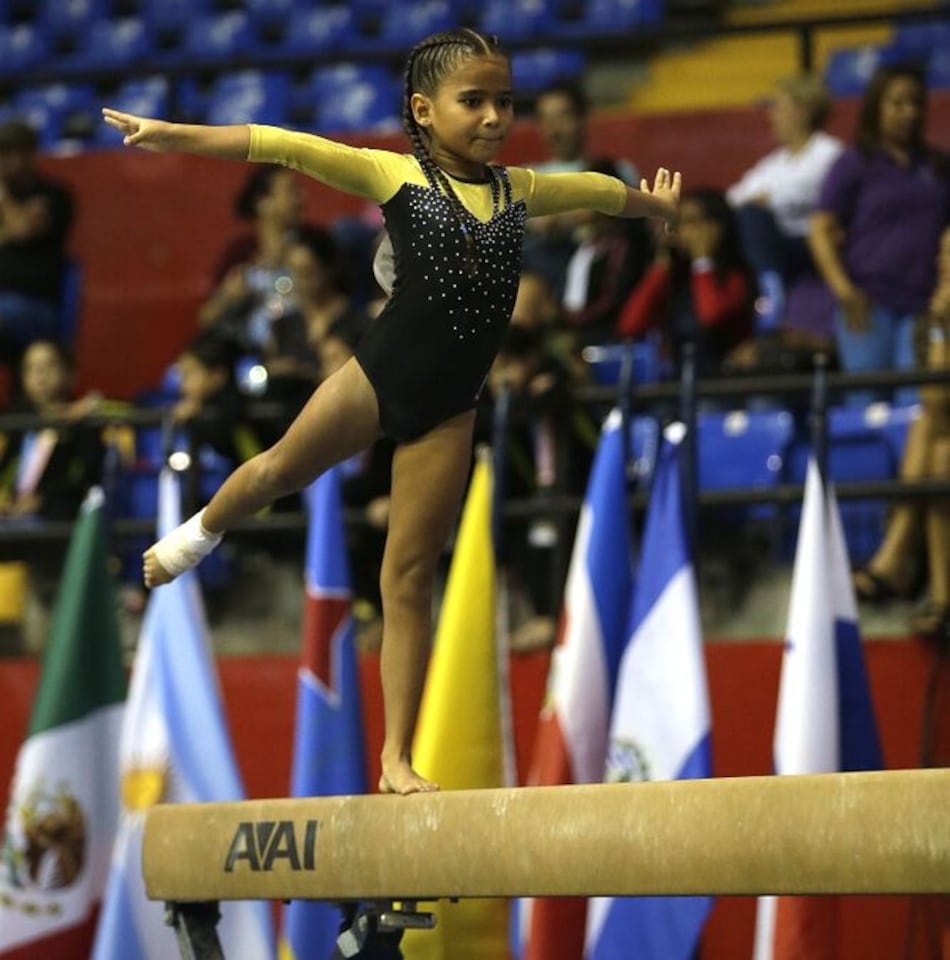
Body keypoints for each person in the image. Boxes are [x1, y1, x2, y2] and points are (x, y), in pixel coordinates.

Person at [102, 27, 680, 795]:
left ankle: (397, 758)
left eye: (504, 102)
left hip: (450, 408)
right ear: (423, 108)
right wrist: (170, 133)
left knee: (407, 579)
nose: (493, 117)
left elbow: (597, 192)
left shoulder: (518, 191)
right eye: (472, 101)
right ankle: (202, 531)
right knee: (277, 469)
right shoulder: (396, 176)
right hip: (378, 378)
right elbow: (280, 144)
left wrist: (648, 203)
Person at [809, 63, 950, 407]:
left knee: (917, 407)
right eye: (898, 103)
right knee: (867, 406)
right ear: (876, 107)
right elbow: (819, 229)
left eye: (916, 103)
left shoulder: (936, 165)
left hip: (923, 306)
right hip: (869, 304)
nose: (909, 112)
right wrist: (844, 291)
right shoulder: (855, 162)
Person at [853, 226, 950, 641]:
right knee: (932, 437)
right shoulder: (934, 316)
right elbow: (934, 397)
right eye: (942, 253)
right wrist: (943, 330)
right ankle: (940, 597)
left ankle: (897, 556)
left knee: (937, 443)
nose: (944, 262)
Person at [727, 74, 843, 332]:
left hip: (812, 246)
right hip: (778, 244)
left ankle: (771, 289)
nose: (772, 116)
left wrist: (763, 199)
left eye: (779, 107)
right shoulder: (776, 162)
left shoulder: (829, 152)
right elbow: (735, 197)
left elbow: (800, 192)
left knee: (752, 216)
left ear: (803, 111)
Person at [617, 187, 753, 378]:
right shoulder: (676, 279)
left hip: (725, 380)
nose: (680, 232)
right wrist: (661, 267)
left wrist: (702, 260)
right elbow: (630, 326)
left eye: (691, 222)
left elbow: (710, 318)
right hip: (678, 379)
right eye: (678, 223)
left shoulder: (736, 275)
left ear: (717, 227)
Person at [523, 83, 640, 297]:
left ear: (582, 119)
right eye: (545, 120)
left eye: (562, 117)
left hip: (601, 269)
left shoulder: (614, 170)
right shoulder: (528, 176)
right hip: (543, 271)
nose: (554, 129)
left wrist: (562, 217)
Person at [0, 340, 103, 521]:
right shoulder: (18, 422)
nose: (40, 375)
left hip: (57, 515)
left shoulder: (84, 421)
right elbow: (7, 469)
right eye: (30, 368)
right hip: (13, 514)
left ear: (71, 373)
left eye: (50, 365)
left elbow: (84, 479)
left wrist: (43, 500)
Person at [0, 120, 75, 362]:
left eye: (19, 153)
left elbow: (24, 229)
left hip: (36, 306)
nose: (13, 162)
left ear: (33, 154)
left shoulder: (53, 195)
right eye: (5, 154)